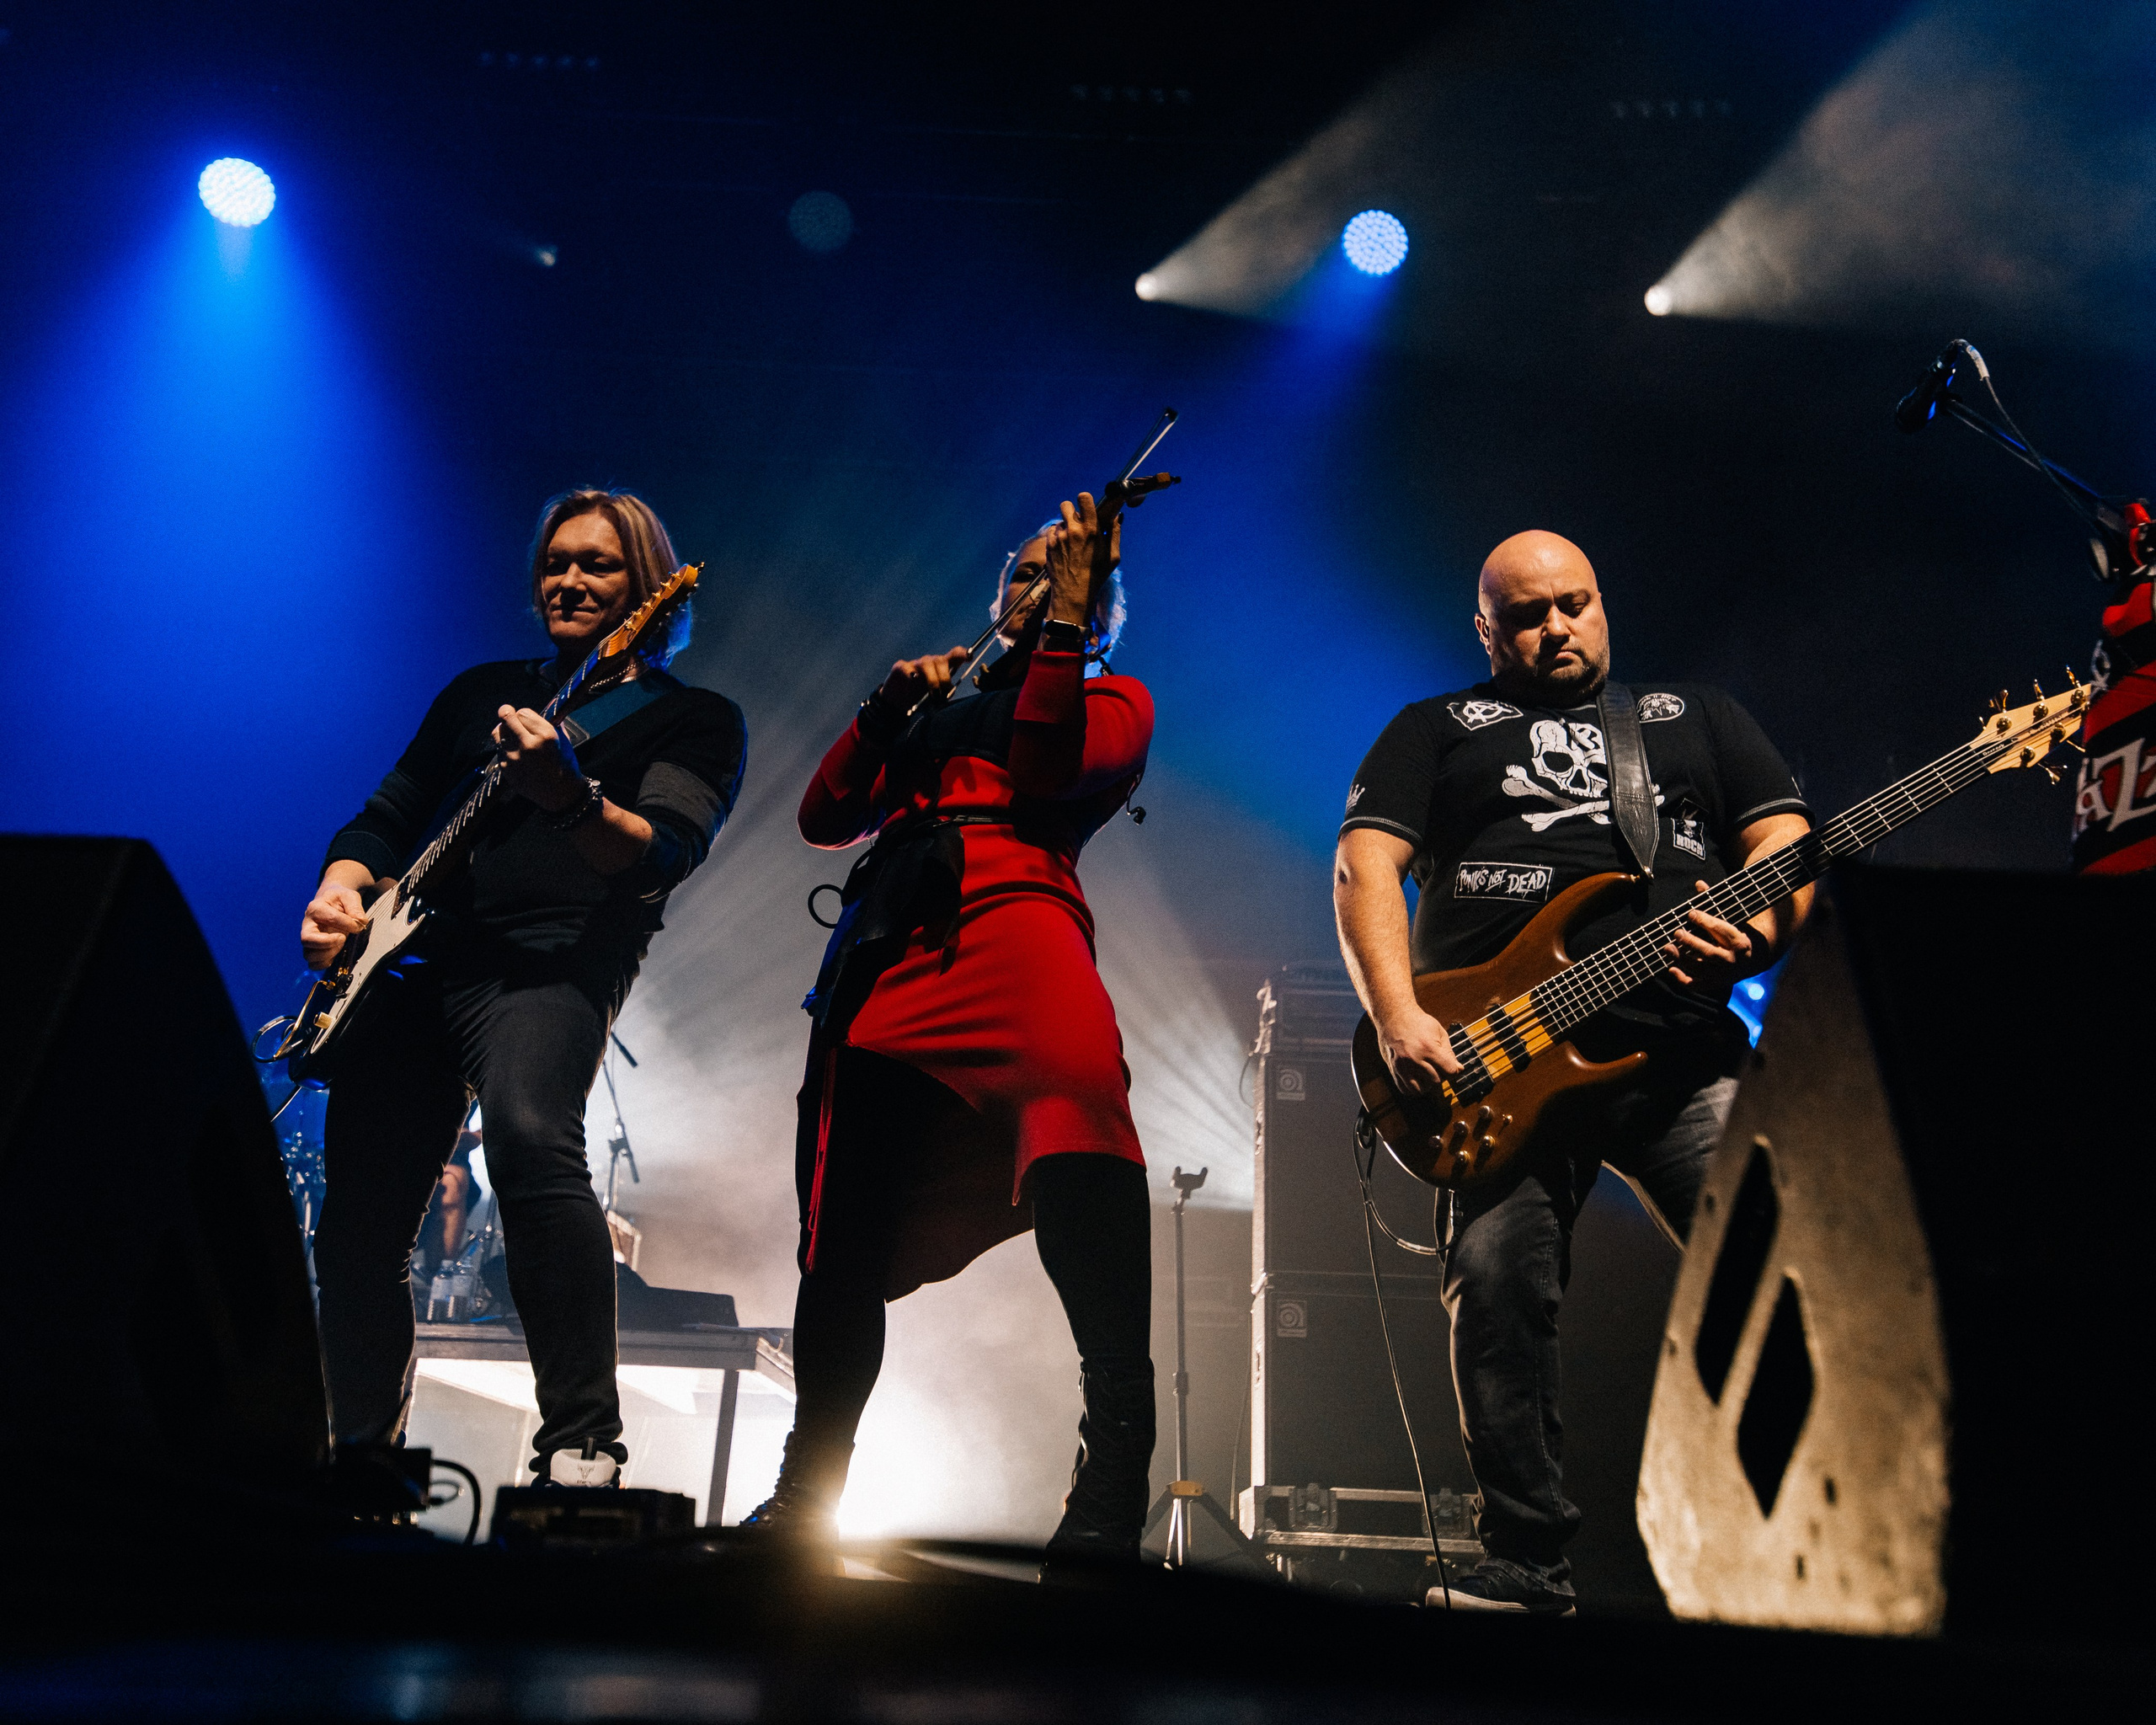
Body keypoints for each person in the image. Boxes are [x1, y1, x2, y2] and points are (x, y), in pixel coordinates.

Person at [1332, 529, 1812, 1613]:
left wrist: (1760, 935)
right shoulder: (1438, 729)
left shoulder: (1694, 720)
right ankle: (1526, 1561)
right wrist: (1399, 1013)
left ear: (1602, 602)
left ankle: (1802, 1526)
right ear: (1485, 628)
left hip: (1680, 1050)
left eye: (1575, 603)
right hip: (1497, 1061)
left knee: (1777, 1268)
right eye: (1529, 613)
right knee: (1497, 1285)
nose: (1557, 627)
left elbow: (1783, 843)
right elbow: (1365, 863)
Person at [301, 489, 746, 1485]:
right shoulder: (483, 694)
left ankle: (582, 1443)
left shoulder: (692, 718)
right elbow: (388, 814)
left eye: (598, 564)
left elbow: (659, 853)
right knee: (359, 1220)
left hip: (552, 965)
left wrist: (572, 796)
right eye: (557, 561)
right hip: (420, 962)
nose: (570, 579)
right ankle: (359, 1454)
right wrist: (340, 890)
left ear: (650, 589)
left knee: (532, 1139)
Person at [746, 492, 1156, 1564]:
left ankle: (1112, 1486)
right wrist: (882, 709)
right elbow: (823, 817)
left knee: (1085, 1165)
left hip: (1023, 937)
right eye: (1023, 572)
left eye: (1060, 576)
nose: (1035, 586)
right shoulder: (932, 718)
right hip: (898, 958)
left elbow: (1043, 768)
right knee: (842, 1237)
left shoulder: (1115, 695)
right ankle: (807, 1492)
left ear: (1101, 615)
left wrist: (1066, 620)